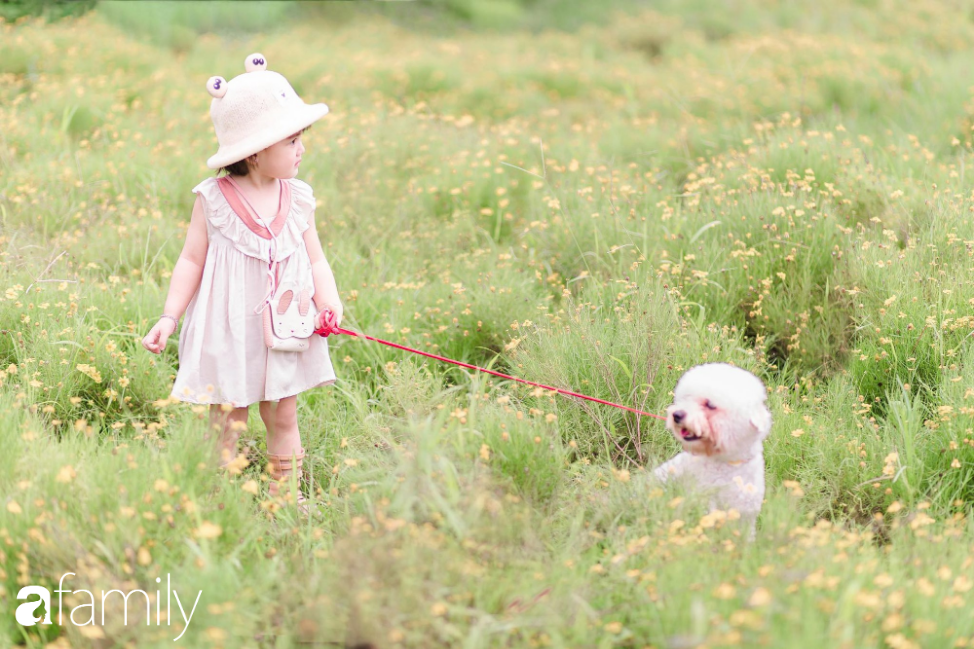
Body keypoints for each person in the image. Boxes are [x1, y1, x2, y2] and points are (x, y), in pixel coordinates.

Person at [141, 53, 342, 515]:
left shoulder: (299, 197)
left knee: (283, 412)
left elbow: (315, 257)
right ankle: (218, 500)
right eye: (292, 140)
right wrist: (169, 318)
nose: (301, 149)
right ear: (255, 150)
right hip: (229, 324)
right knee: (228, 417)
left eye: (300, 139)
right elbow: (191, 260)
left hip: (285, 325)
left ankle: (284, 500)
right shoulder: (213, 199)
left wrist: (328, 301)